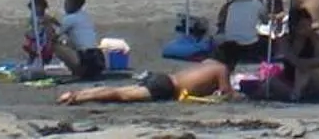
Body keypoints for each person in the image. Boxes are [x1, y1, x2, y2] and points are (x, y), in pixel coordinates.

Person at [60, 57, 231, 105]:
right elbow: (225, 94)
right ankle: (77, 98)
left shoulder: (209, 63)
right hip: (166, 87)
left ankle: (77, 94)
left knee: (121, 90)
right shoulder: (222, 70)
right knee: (120, 95)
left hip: (162, 77)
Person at [54, 0, 106, 80]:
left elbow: (54, 36)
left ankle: (77, 71)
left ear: (71, 3)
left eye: (67, 1)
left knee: (54, 45)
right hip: (99, 58)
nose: (65, 4)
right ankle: (80, 69)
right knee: (67, 42)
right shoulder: (84, 16)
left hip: (87, 59)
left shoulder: (69, 19)